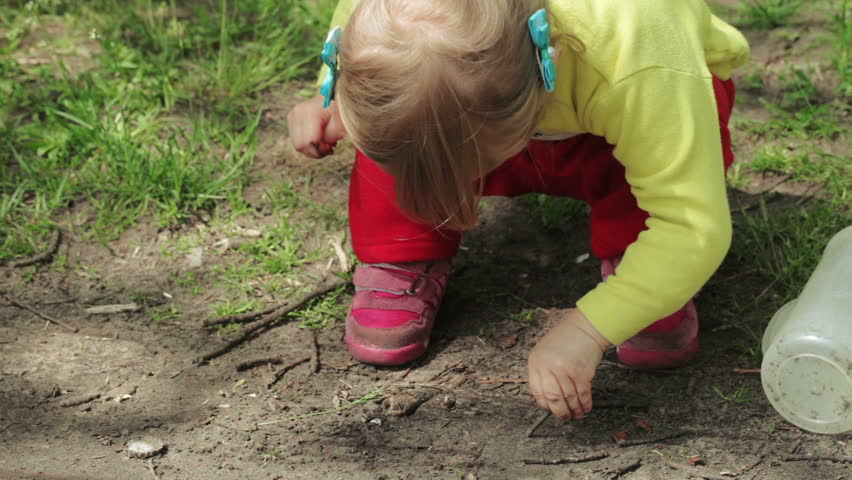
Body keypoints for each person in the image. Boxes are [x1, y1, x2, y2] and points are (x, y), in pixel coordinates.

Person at [287, 0, 749, 422]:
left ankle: (641, 265)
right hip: (484, 105)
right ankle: (403, 251)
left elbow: (691, 225)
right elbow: (360, 29)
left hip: (642, 100)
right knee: (405, 121)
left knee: (651, 173)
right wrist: (332, 93)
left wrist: (590, 329)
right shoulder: (391, 14)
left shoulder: (639, 54)